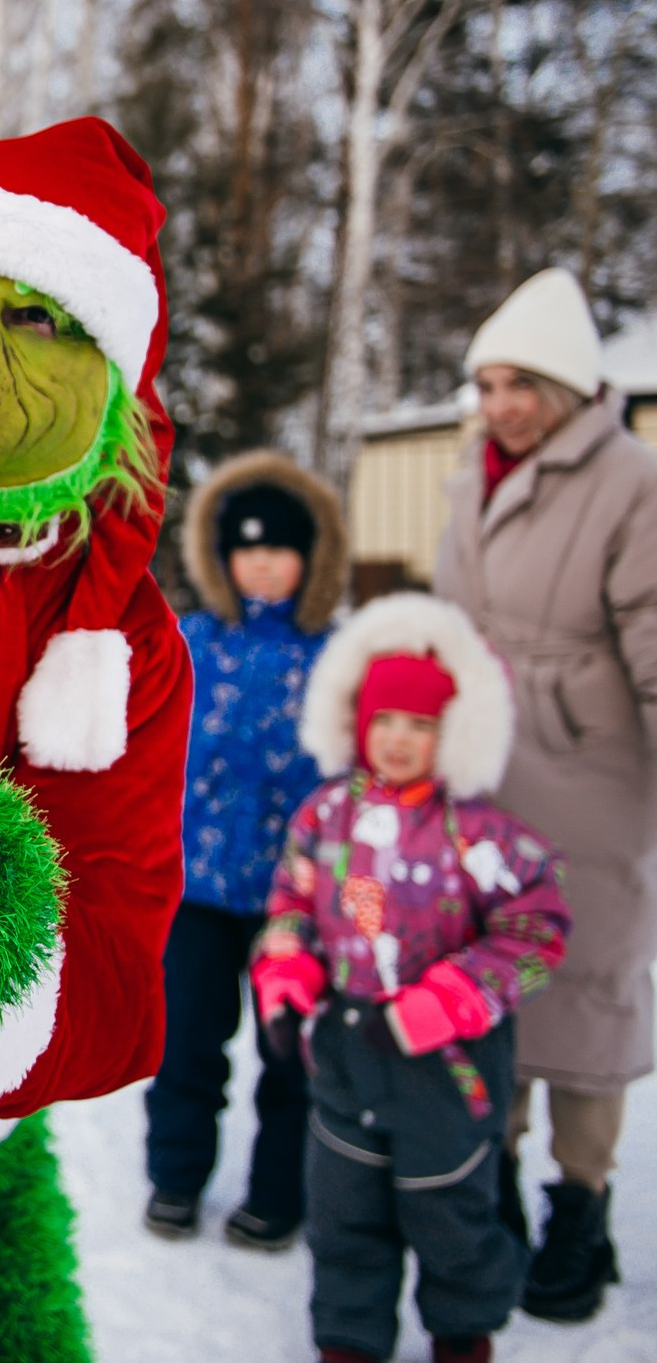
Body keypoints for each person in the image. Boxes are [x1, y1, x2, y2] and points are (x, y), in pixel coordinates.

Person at [252, 593, 571, 1363]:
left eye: (421, 726)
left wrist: (452, 998)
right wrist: (287, 969)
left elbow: (536, 930)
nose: (399, 740)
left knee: (450, 1208)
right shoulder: (324, 816)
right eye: (385, 721)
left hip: (448, 1064)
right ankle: (349, 1339)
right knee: (344, 1211)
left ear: (451, 733)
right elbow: (292, 901)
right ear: (358, 722)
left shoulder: (483, 835)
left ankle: (463, 1332)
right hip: (348, 1048)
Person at [434, 266, 657, 1322]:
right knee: (491, 983)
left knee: (586, 991)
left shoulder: (630, 483)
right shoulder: (467, 474)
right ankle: (502, 1188)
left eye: (521, 382)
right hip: (485, 778)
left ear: (568, 387)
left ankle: (583, 1204)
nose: (501, 403)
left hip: (591, 777)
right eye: (487, 383)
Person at [145, 452, 342, 1247]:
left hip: (295, 902)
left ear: (311, 556)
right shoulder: (188, 640)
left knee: (288, 1057)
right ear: (221, 555)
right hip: (193, 889)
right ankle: (177, 1177)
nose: (262, 561)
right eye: (247, 546)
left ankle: (276, 1193)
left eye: (280, 546)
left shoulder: (334, 655)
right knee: (187, 1042)